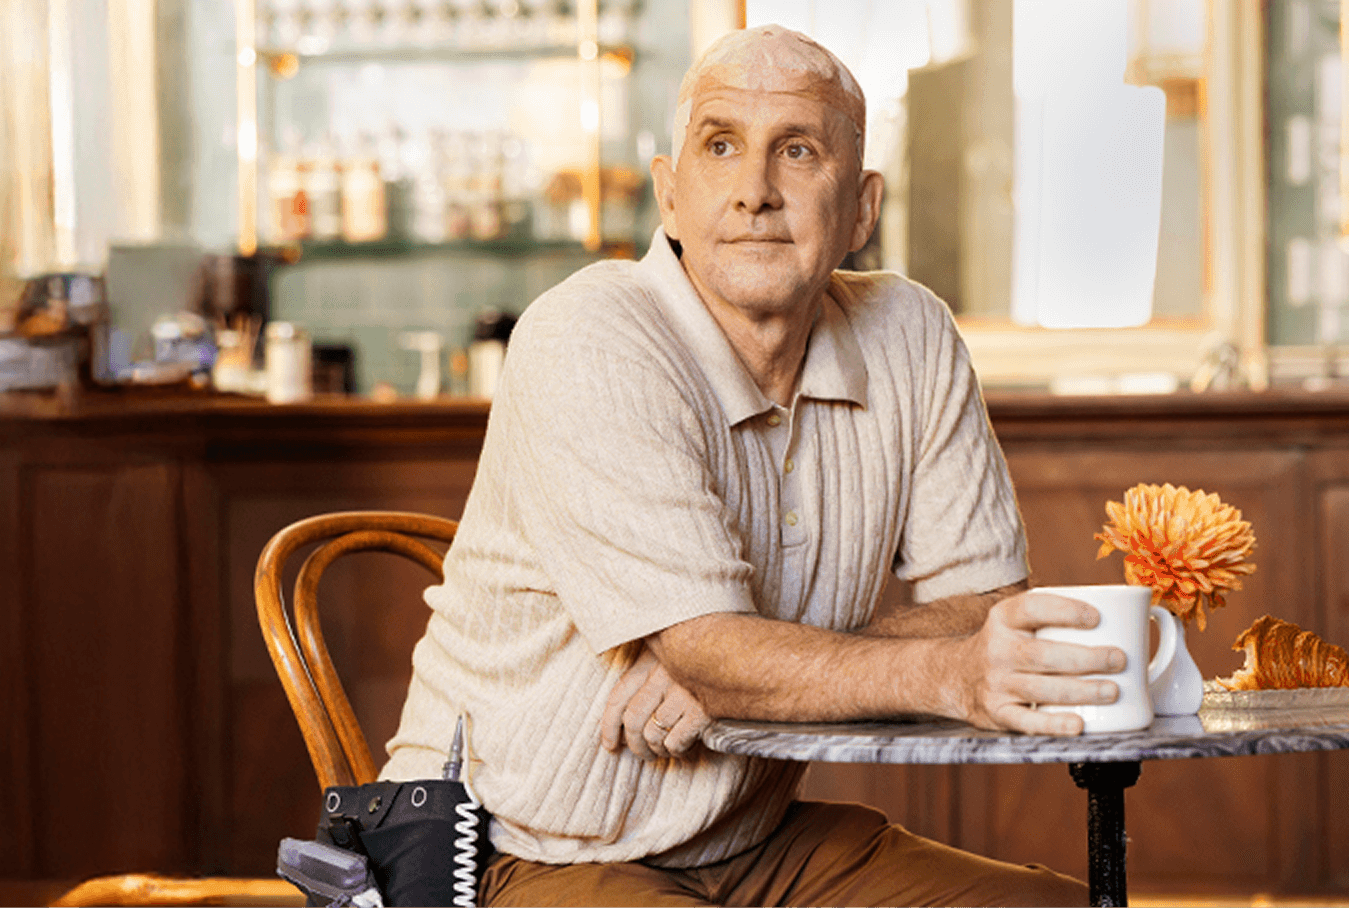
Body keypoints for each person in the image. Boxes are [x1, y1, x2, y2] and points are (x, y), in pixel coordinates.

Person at [375, 25, 1107, 908]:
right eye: (720, 147)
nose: (755, 192)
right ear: (670, 195)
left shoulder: (911, 334)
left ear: (863, 208)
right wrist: (934, 669)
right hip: (515, 846)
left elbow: (992, 607)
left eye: (797, 152)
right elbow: (718, 651)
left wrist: (733, 666)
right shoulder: (589, 337)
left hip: (749, 840)